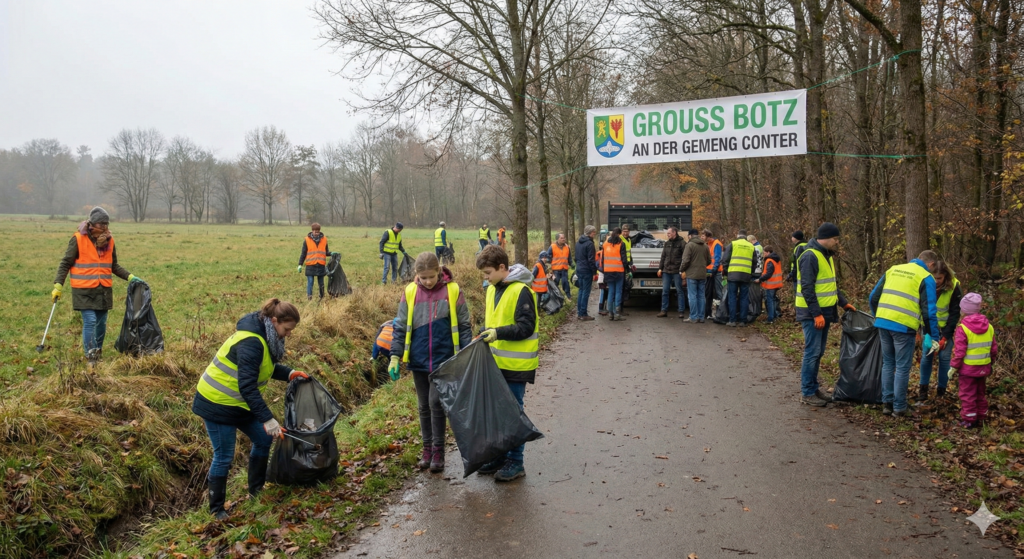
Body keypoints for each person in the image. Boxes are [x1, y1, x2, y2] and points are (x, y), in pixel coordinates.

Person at [192, 298, 308, 519]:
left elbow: (264, 367)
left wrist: (289, 373)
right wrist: (268, 419)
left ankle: (256, 491)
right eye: (287, 329)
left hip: (239, 403)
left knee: (263, 439)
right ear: (274, 321)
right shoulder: (251, 342)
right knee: (224, 456)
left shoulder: (266, 336)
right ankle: (217, 510)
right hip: (216, 403)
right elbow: (247, 386)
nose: (288, 334)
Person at [389, 252, 473, 473]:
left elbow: (464, 325)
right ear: (417, 274)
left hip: (444, 357)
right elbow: (400, 326)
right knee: (423, 405)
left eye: (431, 277)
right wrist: (395, 356)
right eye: (423, 277)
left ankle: (438, 451)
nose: (427, 281)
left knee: (436, 403)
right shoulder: (410, 292)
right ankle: (426, 449)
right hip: (418, 358)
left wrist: (465, 356)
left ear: (439, 271)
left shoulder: (453, 290)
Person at [476, 245, 539, 481]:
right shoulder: (492, 289)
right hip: (496, 363)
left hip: (516, 366)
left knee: (513, 413)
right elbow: (495, 321)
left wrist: (497, 333)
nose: (486, 278)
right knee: (498, 412)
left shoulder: (521, 291)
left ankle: (516, 461)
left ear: (502, 267)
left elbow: (526, 327)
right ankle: (502, 456)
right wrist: (484, 332)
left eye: (488, 273)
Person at [52, 206, 142, 363]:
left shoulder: (109, 241)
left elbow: (113, 265)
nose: (105, 227)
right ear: (92, 223)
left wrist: (130, 277)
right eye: (102, 224)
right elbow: (66, 262)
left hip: (103, 290)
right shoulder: (78, 239)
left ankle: (97, 352)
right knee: (90, 321)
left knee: (101, 324)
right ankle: (90, 355)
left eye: (107, 224)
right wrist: (58, 285)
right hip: (83, 290)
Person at [869, 250, 941, 417]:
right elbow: (929, 311)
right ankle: (899, 406)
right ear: (931, 264)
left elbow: (873, 297)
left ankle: (887, 403)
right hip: (903, 327)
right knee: (902, 367)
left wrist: (878, 316)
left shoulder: (893, 269)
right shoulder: (926, 277)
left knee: (888, 363)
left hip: (883, 322)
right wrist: (933, 336)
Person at [795, 222, 854, 406]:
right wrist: (816, 314)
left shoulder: (824, 255)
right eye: (835, 239)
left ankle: (813, 388)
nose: (837, 242)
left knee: (818, 352)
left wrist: (843, 303)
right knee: (812, 352)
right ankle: (807, 392)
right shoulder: (810, 256)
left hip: (824, 312)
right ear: (826, 238)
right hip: (813, 314)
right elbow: (807, 288)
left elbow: (830, 285)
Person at [917, 261, 962, 403]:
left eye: (939, 278)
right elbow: (919, 308)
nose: (936, 281)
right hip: (928, 329)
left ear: (945, 276)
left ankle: (941, 392)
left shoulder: (954, 287)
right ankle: (923, 391)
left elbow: (954, 314)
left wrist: (946, 337)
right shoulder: (924, 282)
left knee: (944, 359)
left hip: (945, 329)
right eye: (934, 278)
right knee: (927, 357)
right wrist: (919, 330)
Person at [950, 292, 997, 428]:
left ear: (964, 310)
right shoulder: (989, 327)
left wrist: (954, 366)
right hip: (984, 367)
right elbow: (993, 349)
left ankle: (969, 420)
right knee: (980, 393)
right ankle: (981, 416)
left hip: (968, 369)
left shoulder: (963, 328)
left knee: (967, 394)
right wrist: (990, 363)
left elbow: (960, 352)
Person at [721, 229, 755, 327]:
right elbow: (755, 262)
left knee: (732, 297)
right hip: (746, 275)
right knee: (744, 298)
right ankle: (743, 321)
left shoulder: (732, 244)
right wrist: (751, 273)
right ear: (746, 236)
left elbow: (725, 259)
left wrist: (726, 272)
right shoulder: (751, 246)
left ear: (737, 235)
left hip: (733, 274)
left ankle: (732, 320)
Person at [680, 229, 711, 323]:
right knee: (701, 296)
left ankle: (693, 317)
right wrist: (702, 266)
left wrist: (681, 269)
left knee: (692, 296)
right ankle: (701, 317)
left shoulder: (689, 245)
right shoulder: (705, 246)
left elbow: (685, 260)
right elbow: (709, 261)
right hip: (702, 274)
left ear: (690, 236)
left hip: (692, 274)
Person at [656, 226, 686, 318]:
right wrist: (660, 268)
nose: (667, 235)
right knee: (665, 291)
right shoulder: (667, 243)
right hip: (666, 271)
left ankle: (681, 311)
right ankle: (664, 310)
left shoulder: (682, 243)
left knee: (679, 291)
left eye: (669, 233)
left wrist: (683, 270)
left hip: (677, 271)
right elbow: (663, 257)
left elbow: (685, 258)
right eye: (667, 233)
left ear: (674, 233)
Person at [297, 223, 329, 301]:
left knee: (321, 283)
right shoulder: (307, 240)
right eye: (315, 231)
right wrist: (300, 264)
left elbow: (326, 252)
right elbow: (303, 253)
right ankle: (309, 298)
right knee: (310, 282)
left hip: (320, 264)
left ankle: (322, 297)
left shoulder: (324, 239)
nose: (316, 233)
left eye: (318, 231)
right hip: (310, 265)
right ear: (312, 231)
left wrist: (332, 253)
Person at [602, 228, 627, 321]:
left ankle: (610, 313)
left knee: (611, 291)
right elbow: (624, 259)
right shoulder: (621, 244)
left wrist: (603, 270)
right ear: (619, 234)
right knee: (618, 292)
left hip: (608, 271)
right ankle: (617, 313)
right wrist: (626, 268)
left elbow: (602, 258)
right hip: (619, 271)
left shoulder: (605, 244)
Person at [574, 225, 598, 321]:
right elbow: (591, 259)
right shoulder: (589, 244)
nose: (594, 234)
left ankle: (579, 312)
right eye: (593, 232)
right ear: (590, 233)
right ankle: (583, 313)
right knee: (586, 292)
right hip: (587, 270)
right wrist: (594, 272)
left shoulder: (578, 243)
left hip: (579, 269)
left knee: (581, 290)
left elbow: (576, 257)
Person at [702, 230, 723, 320]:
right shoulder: (708, 244)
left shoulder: (716, 244)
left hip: (715, 272)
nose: (702, 237)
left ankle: (720, 313)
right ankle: (708, 313)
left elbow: (717, 258)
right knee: (708, 293)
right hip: (709, 271)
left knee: (718, 293)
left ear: (708, 236)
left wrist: (713, 270)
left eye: (703, 236)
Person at [760, 246, 784, 324]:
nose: (763, 254)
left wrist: (760, 279)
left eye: (764, 253)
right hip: (776, 283)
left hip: (771, 284)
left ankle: (770, 318)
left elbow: (768, 273)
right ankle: (774, 316)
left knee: (770, 301)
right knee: (773, 300)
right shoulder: (776, 259)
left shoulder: (769, 260)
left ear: (768, 252)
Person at [549, 233, 573, 297]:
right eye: (561, 238)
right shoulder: (552, 247)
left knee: (565, 282)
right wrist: (549, 268)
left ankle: (568, 296)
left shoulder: (567, 247)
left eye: (564, 238)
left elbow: (569, 257)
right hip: (555, 269)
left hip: (564, 269)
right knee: (555, 283)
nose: (563, 239)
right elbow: (548, 258)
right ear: (557, 239)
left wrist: (571, 263)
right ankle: (555, 296)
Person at [748, 234, 765, 318]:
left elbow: (755, 260)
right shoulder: (760, 246)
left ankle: (754, 310)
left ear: (751, 241)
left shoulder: (755, 248)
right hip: (759, 270)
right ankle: (757, 309)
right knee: (757, 292)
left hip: (755, 271)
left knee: (754, 292)